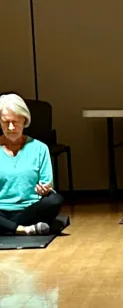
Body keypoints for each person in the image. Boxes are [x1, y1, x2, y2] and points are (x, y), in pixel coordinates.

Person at [0, 93, 65, 236]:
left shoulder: (40, 148)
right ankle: (22, 229)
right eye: (5, 122)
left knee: (55, 200)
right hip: (1, 211)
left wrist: (45, 190)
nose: (11, 127)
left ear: (24, 120)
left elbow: (47, 185)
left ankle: (8, 228)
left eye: (15, 122)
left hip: (30, 210)